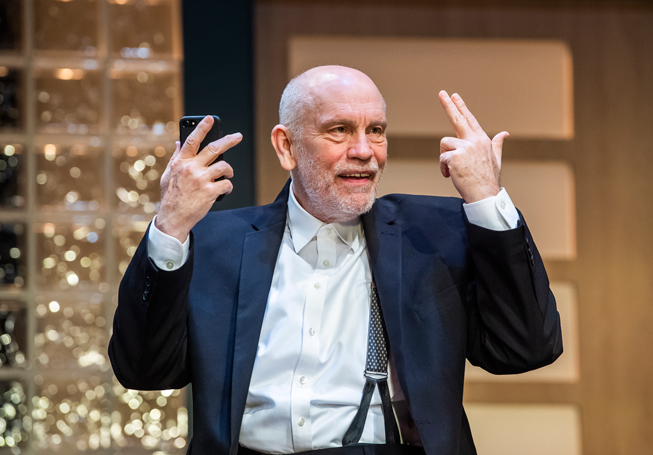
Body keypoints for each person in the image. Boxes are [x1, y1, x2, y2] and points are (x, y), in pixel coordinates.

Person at [109, 65, 562, 455]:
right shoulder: (214, 242)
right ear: (286, 147)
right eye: (339, 130)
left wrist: (487, 198)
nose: (364, 150)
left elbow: (524, 349)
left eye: (376, 131)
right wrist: (169, 227)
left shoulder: (436, 235)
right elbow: (144, 370)